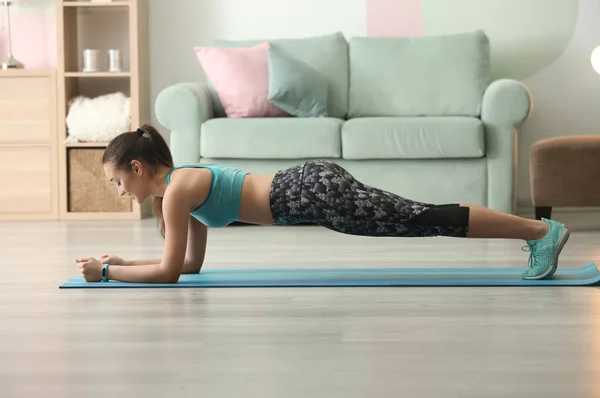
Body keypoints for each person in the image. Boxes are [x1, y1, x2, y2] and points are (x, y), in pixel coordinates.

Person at [75, 123, 571, 283]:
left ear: (137, 169)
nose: (120, 191)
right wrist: (120, 260)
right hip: (312, 190)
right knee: (421, 217)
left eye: (118, 181)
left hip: (312, 192)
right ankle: (536, 234)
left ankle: (539, 233)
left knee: (423, 217)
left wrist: (106, 274)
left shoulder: (179, 191)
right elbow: (187, 266)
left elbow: (167, 275)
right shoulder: (178, 192)